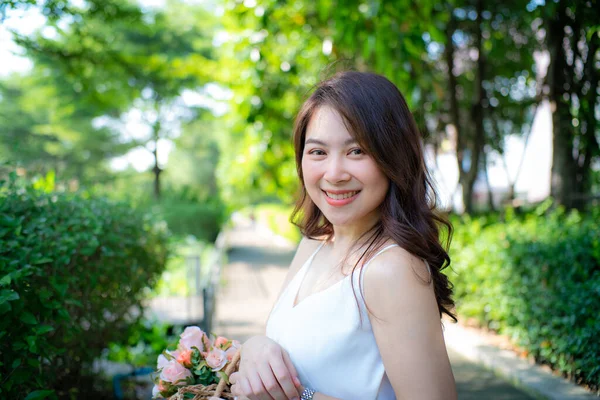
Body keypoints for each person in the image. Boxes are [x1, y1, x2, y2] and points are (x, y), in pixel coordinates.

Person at [229, 71, 458, 400]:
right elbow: (284, 340)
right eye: (318, 152)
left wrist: (301, 398)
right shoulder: (314, 244)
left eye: (357, 151)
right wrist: (255, 348)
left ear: (393, 157)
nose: (334, 174)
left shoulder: (391, 270)